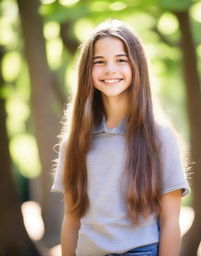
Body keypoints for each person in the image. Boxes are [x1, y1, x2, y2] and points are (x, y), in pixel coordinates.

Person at [51, 19, 190, 256]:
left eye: (121, 60)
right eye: (99, 62)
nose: (110, 69)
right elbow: (72, 219)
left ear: (137, 66)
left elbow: (170, 219)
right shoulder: (74, 143)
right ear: (88, 70)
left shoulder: (159, 137)